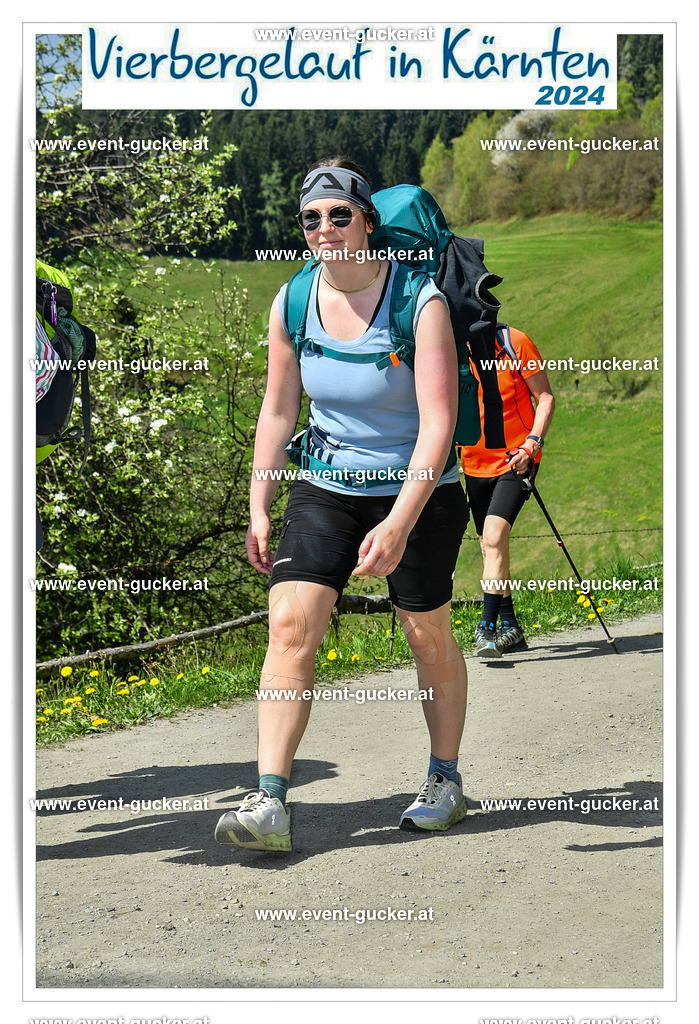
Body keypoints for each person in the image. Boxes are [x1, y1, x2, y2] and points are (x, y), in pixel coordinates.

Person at [214, 158, 470, 853]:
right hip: (326, 483)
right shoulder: (291, 301)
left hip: (419, 489)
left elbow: (438, 423)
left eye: (339, 214)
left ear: (365, 221)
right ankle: (269, 802)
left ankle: (443, 780)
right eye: (310, 218)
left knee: (425, 633)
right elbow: (277, 407)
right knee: (291, 622)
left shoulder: (420, 301)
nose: (324, 229)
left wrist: (399, 519)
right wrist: (259, 503)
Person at [461, 324, 555, 658]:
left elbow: (545, 398)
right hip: (473, 464)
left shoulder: (515, 342)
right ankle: (511, 626)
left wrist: (533, 444)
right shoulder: (449, 346)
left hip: (518, 459)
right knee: (491, 547)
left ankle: (486, 628)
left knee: (495, 535)